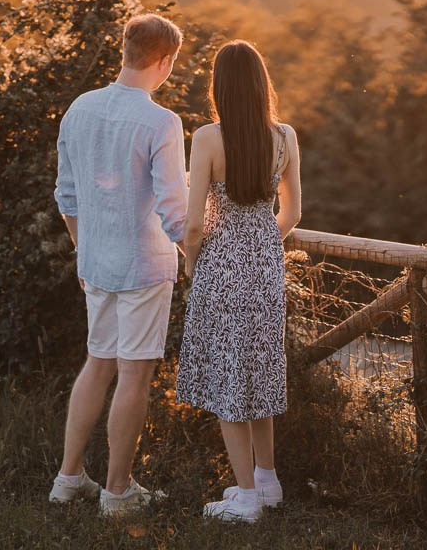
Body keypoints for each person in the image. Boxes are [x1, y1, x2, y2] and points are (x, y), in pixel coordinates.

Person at [49, 13, 188, 516]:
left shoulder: (80, 108)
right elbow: (175, 213)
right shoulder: (161, 121)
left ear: (125, 49)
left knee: (98, 361)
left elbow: (67, 196)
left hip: (96, 262)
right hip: (145, 267)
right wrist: (197, 254)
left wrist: (83, 250)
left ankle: (68, 479)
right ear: (165, 61)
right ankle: (118, 491)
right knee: (133, 374)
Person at [175, 39, 302, 523]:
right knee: (260, 367)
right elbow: (292, 212)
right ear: (261, 84)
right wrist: (263, 239)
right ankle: (268, 481)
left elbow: (191, 226)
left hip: (222, 265)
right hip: (266, 263)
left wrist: (191, 264)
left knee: (229, 374)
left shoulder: (208, 137)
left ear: (219, 87)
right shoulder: (285, 137)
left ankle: (245, 498)